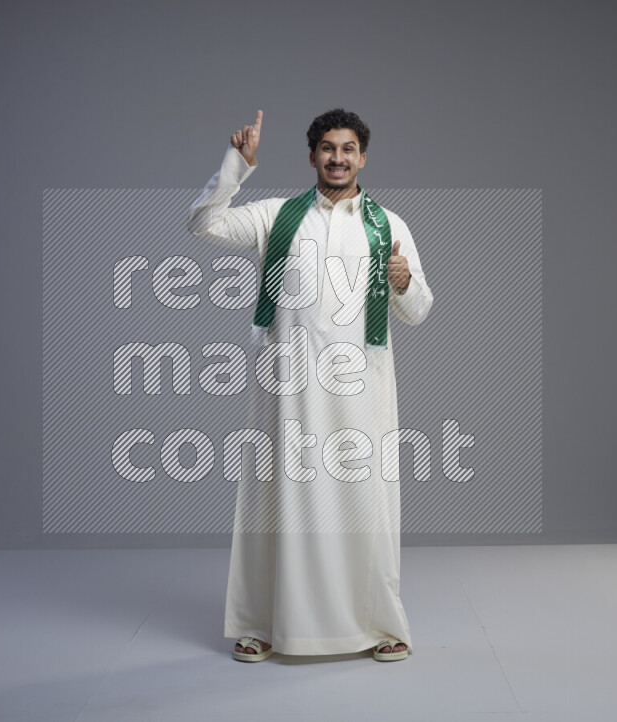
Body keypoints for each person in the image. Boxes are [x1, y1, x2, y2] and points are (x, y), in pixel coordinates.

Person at [187, 108, 434, 662]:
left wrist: (405, 281)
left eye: (348, 149)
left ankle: (377, 624)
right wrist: (236, 165)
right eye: (328, 148)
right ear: (312, 156)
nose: (338, 158)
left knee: (363, 503)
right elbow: (203, 224)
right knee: (277, 501)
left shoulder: (390, 226)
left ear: (362, 158)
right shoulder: (278, 217)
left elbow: (418, 311)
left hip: (360, 394)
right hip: (289, 391)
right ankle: (263, 623)